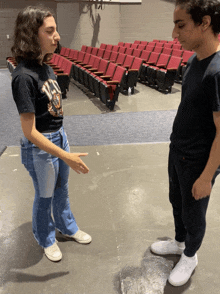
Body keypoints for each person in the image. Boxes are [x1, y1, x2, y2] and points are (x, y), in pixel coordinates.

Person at [11, 5, 92, 262]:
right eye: (50, 31)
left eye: (55, 30)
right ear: (32, 35)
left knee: (62, 190)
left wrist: (64, 144)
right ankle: (45, 237)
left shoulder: (45, 66)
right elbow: (30, 131)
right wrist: (64, 155)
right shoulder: (23, 77)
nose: (57, 35)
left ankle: (66, 228)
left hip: (59, 135)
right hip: (40, 146)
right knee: (44, 196)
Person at [151, 0, 220, 287]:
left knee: (194, 212)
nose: (174, 33)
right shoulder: (193, 61)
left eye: (181, 25)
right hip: (178, 150)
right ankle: (180, 243)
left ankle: (190, 255)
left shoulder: (217, 71)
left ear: (204, 23)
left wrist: (206, 176)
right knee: (176, 201)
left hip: (198, 159)